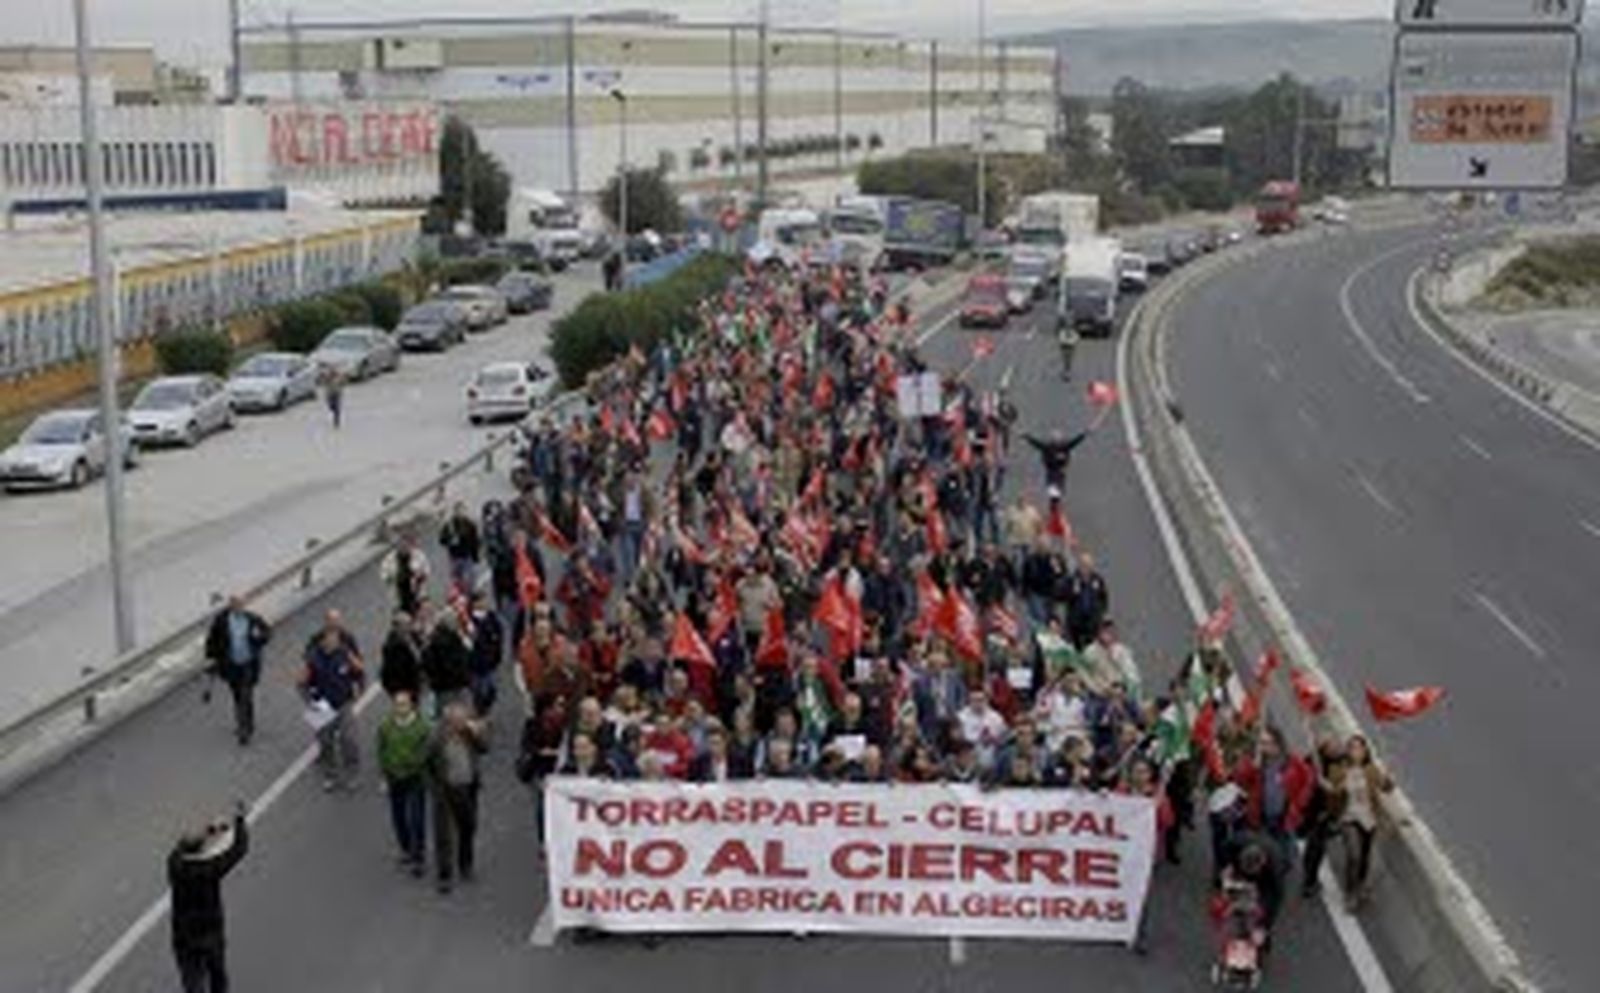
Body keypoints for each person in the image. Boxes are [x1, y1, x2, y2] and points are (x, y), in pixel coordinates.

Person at [168, 801, 248, 993]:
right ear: (202, 849)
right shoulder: (210, 869)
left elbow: (188, 844)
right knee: (217, 973)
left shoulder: (174, 862)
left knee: (191, 977)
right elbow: (238, 849)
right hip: (209, 932)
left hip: (184, 935)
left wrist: (210, 830)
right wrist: (239, 820)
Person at [299, 610, 366, 791]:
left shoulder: (345, 651)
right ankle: (331, 775)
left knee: (349, 739)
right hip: (321, 704)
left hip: (343, 702)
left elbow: (359, 669)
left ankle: (352, 774)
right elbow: (301, 681)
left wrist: (360, 687)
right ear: (323, 642)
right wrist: (309, 701)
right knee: (325, 741)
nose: (334, 644)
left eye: (336, 641)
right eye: (330, 641)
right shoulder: (313, 657)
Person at [429, 702, 487, 894]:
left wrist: (476, 733)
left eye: (462, 721)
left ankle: (466, 864)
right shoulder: (437, 737)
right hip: (446, 788)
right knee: (443, 833)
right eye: (456, 721)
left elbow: (484, 748)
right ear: (448, 721)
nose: (460, 724)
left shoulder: (469, 733)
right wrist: (434, 784)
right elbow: (427, 760)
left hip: (468, 787)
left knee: (468, 826)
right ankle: (444, 874)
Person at [1333, 734, 1395, 912]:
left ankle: (1359, 885)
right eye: (1352, 747)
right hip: (1349, 818)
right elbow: (1333, 795)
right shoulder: (1339, 770)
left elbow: (1387, 788)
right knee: (1354, 855)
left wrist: (1388, 779)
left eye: (1360, 748)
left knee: (1365, 858)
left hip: (1369, 819)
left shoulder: (1371, 770)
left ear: (1365, 751)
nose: (1356, 751)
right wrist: (1338, 788)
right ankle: (1350, 893)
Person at [203, 595, 272, 745]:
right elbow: (212, 640)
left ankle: (244, 728)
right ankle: (245, 722)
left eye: (241, 605)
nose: (239, 608)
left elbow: (267, 633)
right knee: (237, 695)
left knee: (245, 694)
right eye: (236, 605)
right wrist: (210, 658)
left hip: (248, 663)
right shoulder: (222, 621)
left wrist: (258, 638)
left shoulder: (252, 619)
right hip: (231, 665)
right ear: (231, 606)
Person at [376, 691, 431, 877]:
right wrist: (383, 775)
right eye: (397, 704)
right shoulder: (385, 726)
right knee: (398, 815)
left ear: (411, 706)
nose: (400, 708)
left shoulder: (422, 727)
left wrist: (413, 764)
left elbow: (426, 753)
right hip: (394, 777)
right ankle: (406, 848)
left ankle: (419, 856)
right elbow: (381, 751)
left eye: (404, 704)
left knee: (416, 817)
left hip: (415, 777)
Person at [380, 534, 431, 616]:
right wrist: (396, 577)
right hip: (400, 596)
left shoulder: (418, 555)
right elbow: (385, 577)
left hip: (419, 594)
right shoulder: (389, 560)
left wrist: (418, 576)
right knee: (404, 619)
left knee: (423, 615)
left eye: (405, 545)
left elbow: (426, 571)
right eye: (400, 546)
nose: (403, 548)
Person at [379, 611, 423, 700]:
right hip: (404, 688)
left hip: (414, 685)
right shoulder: (392, 647)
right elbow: (393, 671)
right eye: (407, 624)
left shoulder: (411, 637)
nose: (410, 626)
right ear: (398, 627)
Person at [439, 502, 482, 591]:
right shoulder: (450, 526)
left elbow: (476, 542)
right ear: (455, 512)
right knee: (457, 581)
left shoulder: (470, 525)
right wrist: (450, 541)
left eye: (462, 510)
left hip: (467, 557)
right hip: (455, 558)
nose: (460, 513)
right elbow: (442, 540)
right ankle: (460, 597)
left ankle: (472, 594)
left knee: (471, 580)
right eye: (458, 511)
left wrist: (476, 557)